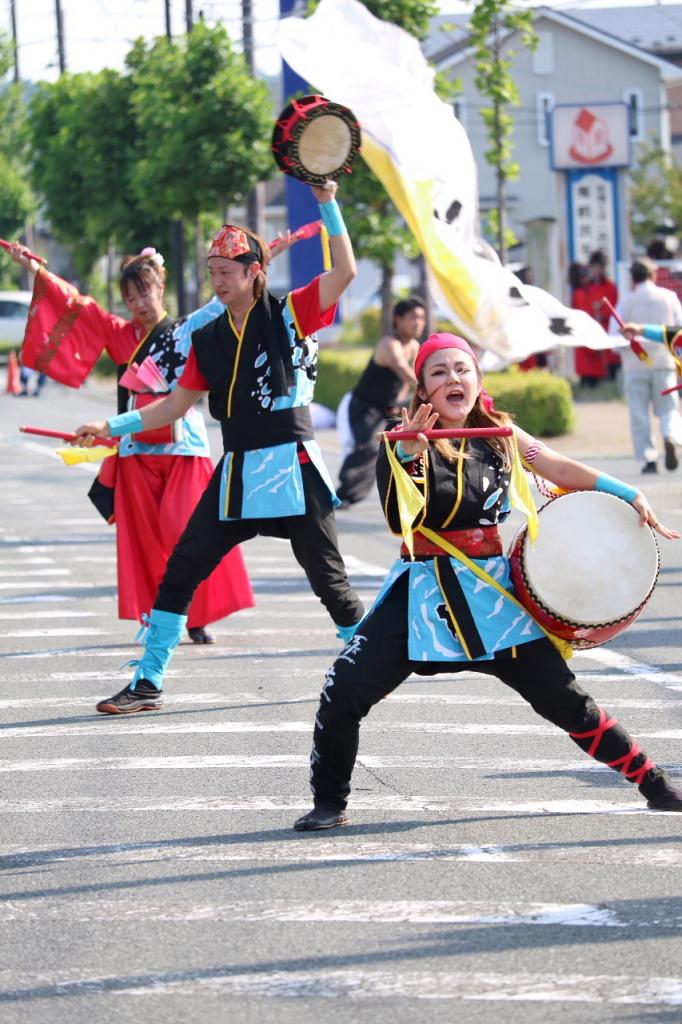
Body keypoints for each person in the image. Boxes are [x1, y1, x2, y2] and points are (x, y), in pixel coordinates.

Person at [293, 332, 682, 831]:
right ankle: (330, 801)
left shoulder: (500, 433)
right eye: (438, 372)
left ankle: (652, 782)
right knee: (343, 686)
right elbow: (399, 516)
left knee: (566, 700)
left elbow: (558, 466)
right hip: (421, 592)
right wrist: (411, 453)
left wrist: (626, 491)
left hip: (492, 596)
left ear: (477, 379)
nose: (452, 378)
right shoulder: (403, 436)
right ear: (423, 388)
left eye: (462, 369)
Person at [74, 180, 366, 715]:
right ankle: (148, 681)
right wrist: (110, 426)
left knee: (327, 577)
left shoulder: (291, 312)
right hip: (237, 469)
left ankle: (372, 660)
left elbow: (344, 272)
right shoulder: (207, 339)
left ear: (255, 271)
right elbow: (171, 406)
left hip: (291, 463)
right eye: (212, 273)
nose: (218, 281)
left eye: (227, 272)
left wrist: (327, 201)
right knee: (183, 566)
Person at [7, 242, 255, 647]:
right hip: (135, 450)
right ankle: (156, 616)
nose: (140, 302)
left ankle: (196, 614)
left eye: (146, 291)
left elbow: (224, 303)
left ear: (162, 286)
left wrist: (257, 265)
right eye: (131, 296)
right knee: (143, 542)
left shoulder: (188, 328)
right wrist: (37, 271)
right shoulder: (119, 334)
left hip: (183, 449)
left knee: (188, 532)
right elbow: (78, 305)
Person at [336, 296, 426, 507]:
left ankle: (357, 496)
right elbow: (404, 372)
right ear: (398, 319)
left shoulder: (413, 346)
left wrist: (399, 402)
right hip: (362, 406)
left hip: (386, 408)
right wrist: (430, 388)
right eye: (413, 317)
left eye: (421, 318)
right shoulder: (389, 344)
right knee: (366, 447)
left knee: (390, 449)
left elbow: (406, 381)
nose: (418, 323)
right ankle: (342, 495)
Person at [611, 258, 682, 475]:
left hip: (635, 364)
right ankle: (671, 436)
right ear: (653, 274)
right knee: (668, 408)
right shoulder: (669, 298)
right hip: (664, 362)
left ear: (632, 278)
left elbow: (614, 336)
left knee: (639, 412)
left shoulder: (626, 301)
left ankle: (649, 459)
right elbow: (677, 330)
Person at [571, 261, 608, 387]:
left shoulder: (587, 291)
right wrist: (594, 310)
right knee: (586, 359)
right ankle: (587, 381)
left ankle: (594, 381)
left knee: (593, 357)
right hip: (584, 328)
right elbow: (583, 311)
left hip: (591, 327)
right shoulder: (579, 293)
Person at [587, 250, 621, 381]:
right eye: (593, 267)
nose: (595, 271)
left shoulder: (610, 286)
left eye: (598, 267)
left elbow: (614, 306)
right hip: (592, 326)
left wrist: (601, 313)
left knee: (611, 357)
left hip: (607, 326)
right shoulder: (587, 286)